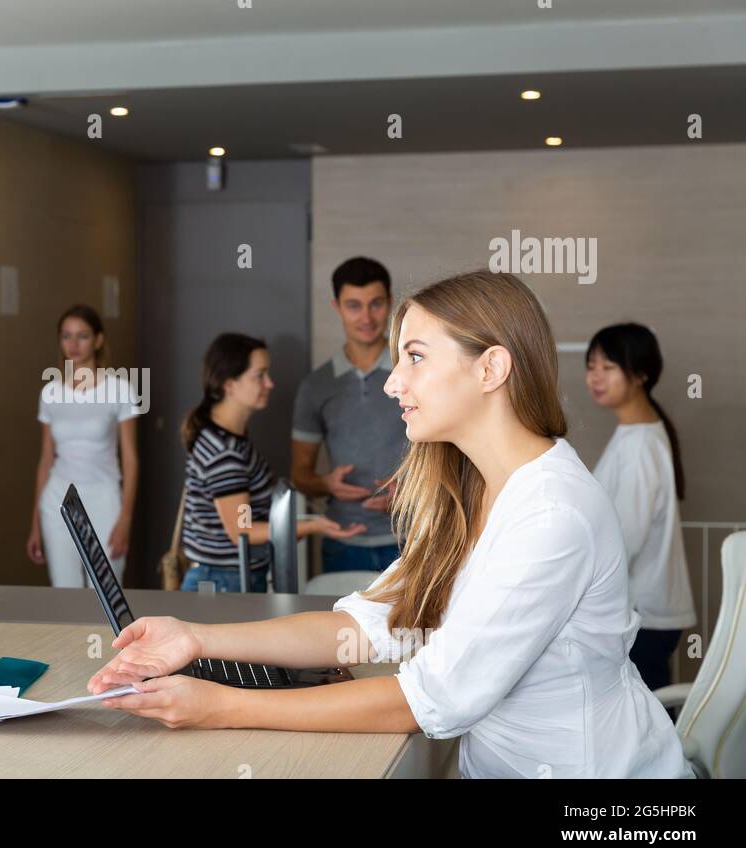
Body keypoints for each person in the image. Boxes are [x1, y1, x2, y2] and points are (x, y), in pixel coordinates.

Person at [90, 272, 692, 779]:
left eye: (416, 357)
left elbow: (429, 700)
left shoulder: (551, 513)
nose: (392, 381)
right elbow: (367, 625)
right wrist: (196, 639)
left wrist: (218, 706)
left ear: (490, 370)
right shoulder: (469, 491)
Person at [179, 333, 365, 594]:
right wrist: (312, 526)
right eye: (260, 375)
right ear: (229, 384)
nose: (270, 383)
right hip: (225, 582)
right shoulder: (224, 451)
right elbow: (241, 530)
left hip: (230, 578)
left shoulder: (231, 439)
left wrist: (307, 523)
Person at [586, 323, 695, 691]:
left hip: (645, 614)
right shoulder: (637, 433)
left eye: (608, 366)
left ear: (641, 374)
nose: (596, 377)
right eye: (591, 366)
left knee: (649, 726)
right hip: (645, 610)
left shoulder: (640, 444)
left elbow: (625, 537)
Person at [291, 256, 408, 573]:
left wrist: (410, 492)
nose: (366, 317)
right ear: (337, 306)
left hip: (414, 538)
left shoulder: (413, 372)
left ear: (390, 303)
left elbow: (451, 452)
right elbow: (300, 474)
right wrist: (326, 483)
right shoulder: (316, 386)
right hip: (343, 543)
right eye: (354, 305)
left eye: (376, 304)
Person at [27, 305, 140, 587]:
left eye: (82, 336)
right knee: (65, 591)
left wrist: (125, 519)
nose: (73, 344)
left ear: (98, 340)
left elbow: (130, 459)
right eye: (66, 336)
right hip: (58, 501)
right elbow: (45, 460)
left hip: (104, 499)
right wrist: (35, 523)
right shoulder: (50, 393)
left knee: (106, 590)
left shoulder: (119, 389)